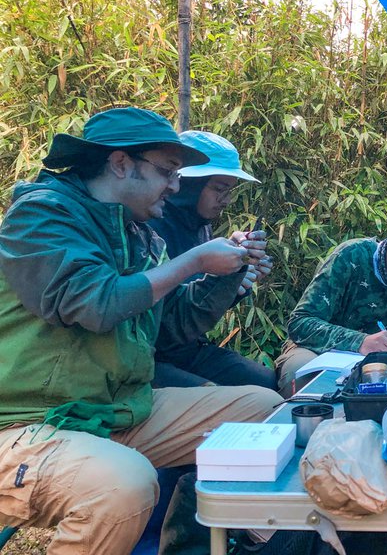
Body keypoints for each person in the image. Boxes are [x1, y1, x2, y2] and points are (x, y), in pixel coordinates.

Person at [0, 107, 281, 554]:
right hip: (30, 421)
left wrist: (227, 275)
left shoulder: (143, 235)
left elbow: (171, 329)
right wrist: (191, 262)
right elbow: (92, 303)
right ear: (120, 163)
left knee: (263, 410)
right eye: (168, 171)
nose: (175, 184)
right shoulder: (42, 216)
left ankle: (187, 547)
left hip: (114, 410)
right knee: (124, 485)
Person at [148, 130, 276, 389]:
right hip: (151, 355)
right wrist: (221, 277)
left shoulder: (199, 225)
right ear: (187, 185)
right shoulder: (150, 227)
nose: (226, 200)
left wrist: (238, 278)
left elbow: (200, 309)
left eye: (230, 190)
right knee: (224, 398)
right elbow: (170, 318)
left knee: (267, 382)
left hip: (189, 348)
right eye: (219, 189)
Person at [275, 209, 387, 391]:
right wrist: (359, 341)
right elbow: (299, 323)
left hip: (379, 361)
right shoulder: (350, 256)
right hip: (316, 350)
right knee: (301, 373)